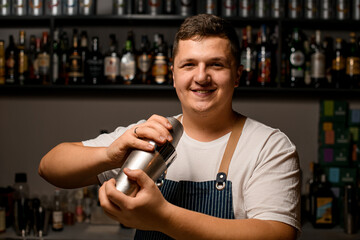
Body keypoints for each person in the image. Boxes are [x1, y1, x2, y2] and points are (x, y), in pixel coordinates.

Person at [39, 14, 301, 239]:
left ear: (237, 76)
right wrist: (109, 155)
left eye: (216, 65)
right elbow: (49, 167)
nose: (201, 77)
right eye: (189, 65)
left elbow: (277, 234)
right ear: (173, 76)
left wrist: (163, 217)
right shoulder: (147, 137)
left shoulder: (269, 146)